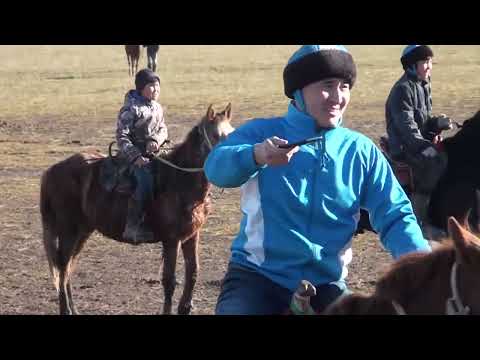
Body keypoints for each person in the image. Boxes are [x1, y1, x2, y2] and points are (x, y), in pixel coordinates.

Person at [204, 45, 431, 315]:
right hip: (256, 279)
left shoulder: (359, 150)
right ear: (299, 91)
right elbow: (215, 168)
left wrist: (425, 270)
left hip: (326, 285)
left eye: (345, 86)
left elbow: (395, 215)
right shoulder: (262, 133)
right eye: (327, 85)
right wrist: (257, 154)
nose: (337, 97)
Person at [385, 45, 451, 240]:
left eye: (430, 61)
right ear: (411, 66)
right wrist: (424, 146)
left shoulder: (423, 85)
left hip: (418, 141)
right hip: (405, 147)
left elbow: (423, 121)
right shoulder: (402, 90)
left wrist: (438, 123)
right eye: (425, 62)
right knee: (434, 165)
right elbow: (407, 127)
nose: (429, 66)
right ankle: (419, 223)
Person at [116, 68, 168, 243]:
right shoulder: (131, 108)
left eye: (158, 86)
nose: (156, 90)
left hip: (155, 152)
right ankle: (133, 226)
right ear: (140, 88)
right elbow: (121, 136)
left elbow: (163, 129)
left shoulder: (158, 107)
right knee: (145, 180)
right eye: (151, 86)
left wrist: (156, 140)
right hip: (134, 156)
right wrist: (136, 157)